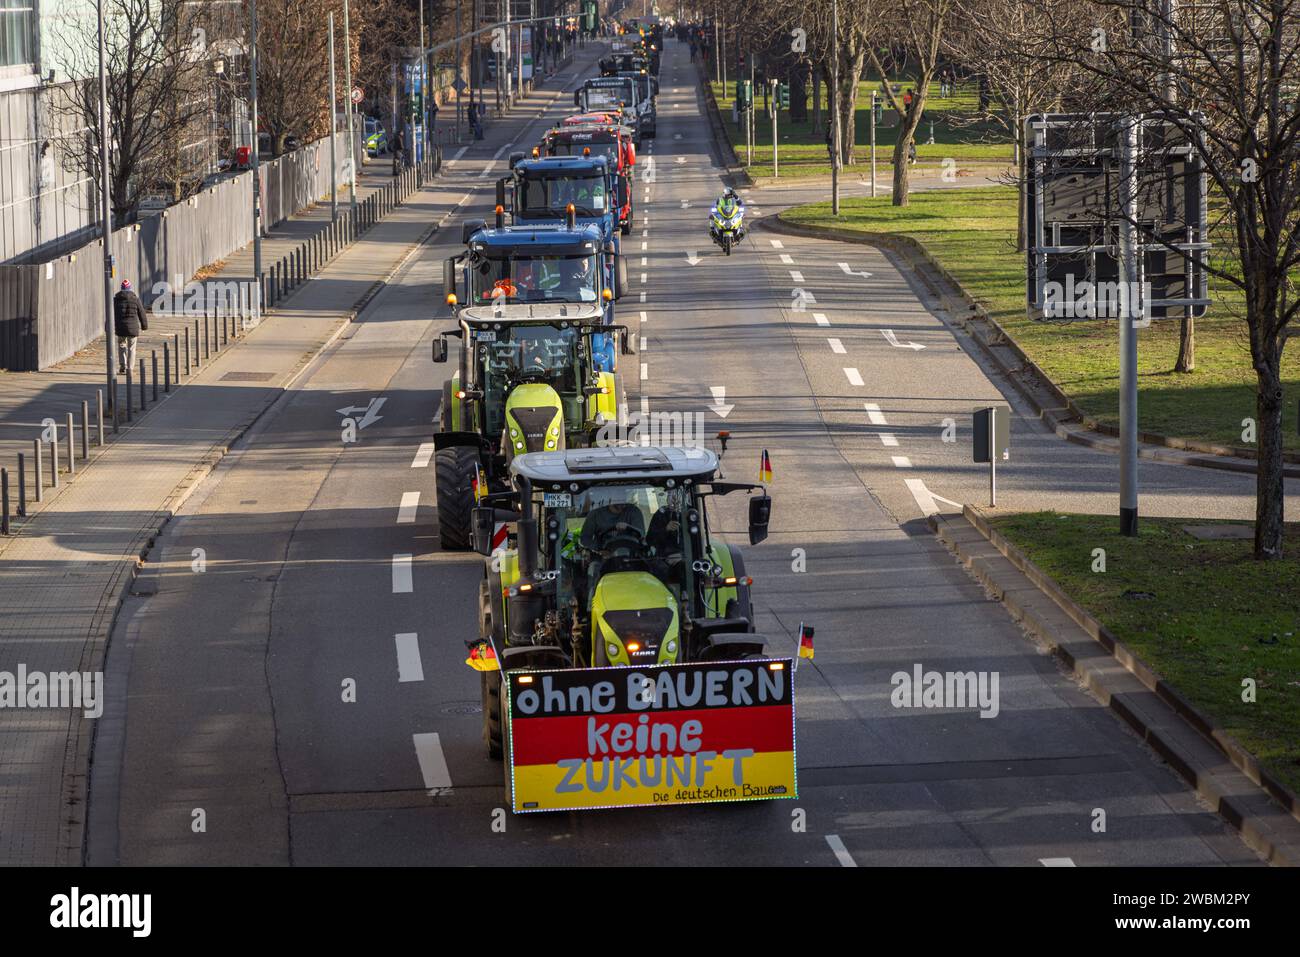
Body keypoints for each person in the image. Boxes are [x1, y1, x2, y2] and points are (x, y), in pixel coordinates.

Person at [113, 279, 147, 375]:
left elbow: (110, 313)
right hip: (133, 328)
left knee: (121, 346)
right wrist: (144, 326)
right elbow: (142, 313)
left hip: (121, 328)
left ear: (121, 289)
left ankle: (123, 366)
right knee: (132, 348)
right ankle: (130, 369)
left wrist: (108, 326)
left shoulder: (116, 300)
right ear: (130, 288)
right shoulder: (135, 299)